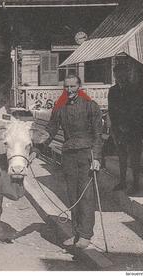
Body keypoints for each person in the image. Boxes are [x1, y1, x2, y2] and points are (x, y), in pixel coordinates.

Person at [45, 74, 103, 249]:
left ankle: (86, 234)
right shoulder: (60, 108)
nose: (69, 90)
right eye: (66, 87)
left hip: (87, 156)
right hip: (69, 155)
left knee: (86, 195)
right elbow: (51, 130)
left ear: (80, 87)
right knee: (72, 195)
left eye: (72, 86)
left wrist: (97, 158)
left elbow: (98, 135)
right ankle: (76, 233)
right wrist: (35, 148)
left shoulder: (90, 106)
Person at [108, 63, 143, 195]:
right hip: (119, 130)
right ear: (115, 75)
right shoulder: (113, 90)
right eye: (117, 74)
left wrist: (130, 125)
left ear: (127, 74)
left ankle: (136, 184)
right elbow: (112, 110)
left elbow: (142, 110)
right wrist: (117, 126)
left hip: (134, 130)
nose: (120, 77)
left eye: (123, 74)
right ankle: (122, 181)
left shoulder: (137, 89)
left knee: (135, 158)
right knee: (122, 156)